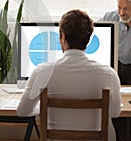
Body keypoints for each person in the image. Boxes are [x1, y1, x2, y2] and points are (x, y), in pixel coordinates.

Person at [17, 9, 121, 141]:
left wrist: (41, 107)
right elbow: (115, 113)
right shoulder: (109, 74)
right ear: (88, 40)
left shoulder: (42, 72)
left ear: (62, 37)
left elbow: (23, 111)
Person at [100, 0, 131, 141]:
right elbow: (92, 34)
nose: (121, 12)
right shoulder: (110, 17)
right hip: (115, 67)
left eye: (126, 8)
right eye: (119, 7)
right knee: (115, 107)